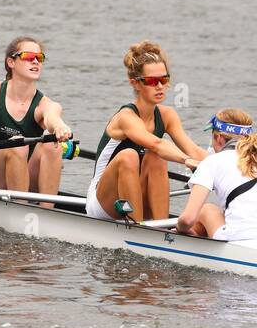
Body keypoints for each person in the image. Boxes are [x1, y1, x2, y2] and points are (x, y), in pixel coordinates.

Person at [86, 40, 206, 223]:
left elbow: (195, 151)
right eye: (151, 81)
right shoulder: (126, 117)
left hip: (134, 192)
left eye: (164, 79)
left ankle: (160, 230)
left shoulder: (167, 115)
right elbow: (157, 144)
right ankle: (139, 231)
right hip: (104, 202)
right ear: (135, 84)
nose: (159, 86)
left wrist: (241, 165)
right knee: (129, 155)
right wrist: (186, 161)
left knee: (155, 158)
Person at [177, 109, 257, 240]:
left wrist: (182, 230)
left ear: (218, 138)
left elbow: (188, 219)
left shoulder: (211, 162)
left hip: (238, 238)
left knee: (207, 209)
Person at [0, 36, 72, 207]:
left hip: (25, 177)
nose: (35, 61)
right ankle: (21, 209)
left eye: (39, 58)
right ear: (11, 62)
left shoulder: (46, 104)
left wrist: (60, 127)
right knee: (17, 144)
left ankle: (47, 211)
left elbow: (52, 118)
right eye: (28, 56)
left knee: (52, 145)